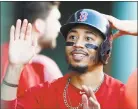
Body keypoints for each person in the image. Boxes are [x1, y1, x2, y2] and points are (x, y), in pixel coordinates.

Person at [1, 9, 137, 109]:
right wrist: (15, 67)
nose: (77, 43)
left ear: (105, 48)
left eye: (88, 38)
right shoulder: (45, 92)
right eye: (72, 37)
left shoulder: (123, 95)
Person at [1, 1, 63, 97]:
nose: (59, 27)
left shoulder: (36, 67)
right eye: (56, 20)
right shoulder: (5, 58)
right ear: (39, 25)